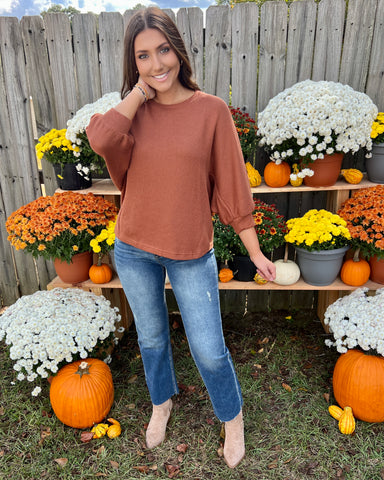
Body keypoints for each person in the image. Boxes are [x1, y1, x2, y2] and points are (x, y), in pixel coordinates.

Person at [86, 6, 275, 469]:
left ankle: (232, 418)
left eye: (163, 50)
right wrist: (136, 96)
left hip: (192, 252)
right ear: (135, 65)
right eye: (143, 56)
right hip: (133, 248)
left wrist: (255, 250)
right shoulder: (132, 114)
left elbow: (232, 185)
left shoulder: (210, 111)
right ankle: (161, 402)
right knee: (150, 340)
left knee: (209, 350)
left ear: (179, 50)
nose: (157, 64)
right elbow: (102, 141)